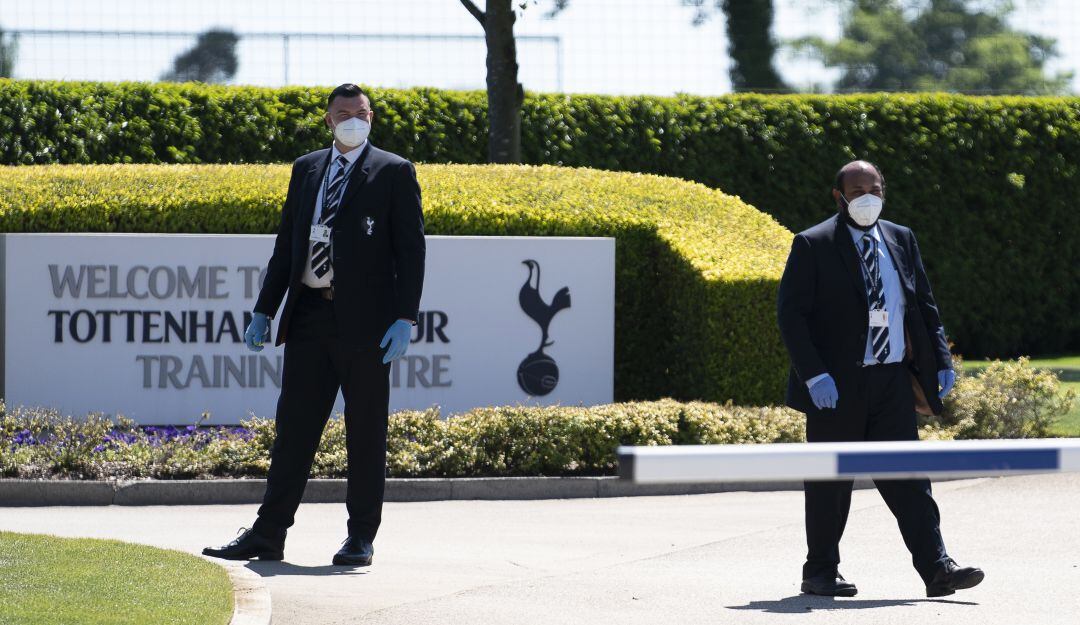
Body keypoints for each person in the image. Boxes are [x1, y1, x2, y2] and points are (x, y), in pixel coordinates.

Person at [203, 83, 425, 567]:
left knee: (365, 433)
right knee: (294, 431)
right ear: (328, 120)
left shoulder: (393, 171)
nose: (353, 120)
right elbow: (287, 246)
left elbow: (411, 251)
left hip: (367, 327)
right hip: (308, 317)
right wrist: (265, 309)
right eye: (343, 113)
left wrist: (406, 317)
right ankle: (268, 534)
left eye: (361, 113)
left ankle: (360, 536)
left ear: (371, 119)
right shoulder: (306, 169)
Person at [776, 160, 983, 598]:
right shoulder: (813, 244)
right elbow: (791, 316)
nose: (867, 196)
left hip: (890, 382)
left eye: (875, 188)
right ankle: (820, 573)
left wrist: (942, 359)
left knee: (910, 479)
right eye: (856, 190)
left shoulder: (901, 238)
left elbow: (924, 305)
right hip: (836, 386)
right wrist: (814, 376)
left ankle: (938, 569)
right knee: (830, 484)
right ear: (839, 196)